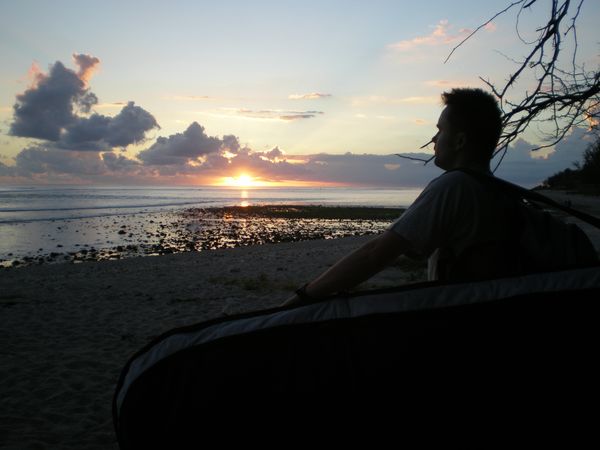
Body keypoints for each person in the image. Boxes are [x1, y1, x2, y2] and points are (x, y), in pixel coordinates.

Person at [283, 87, 519, 306]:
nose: (434, 140)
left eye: (440, 130)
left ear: (459, 141)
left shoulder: (455, 185)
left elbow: (375, 254)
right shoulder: (503, 192)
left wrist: (304, 296)